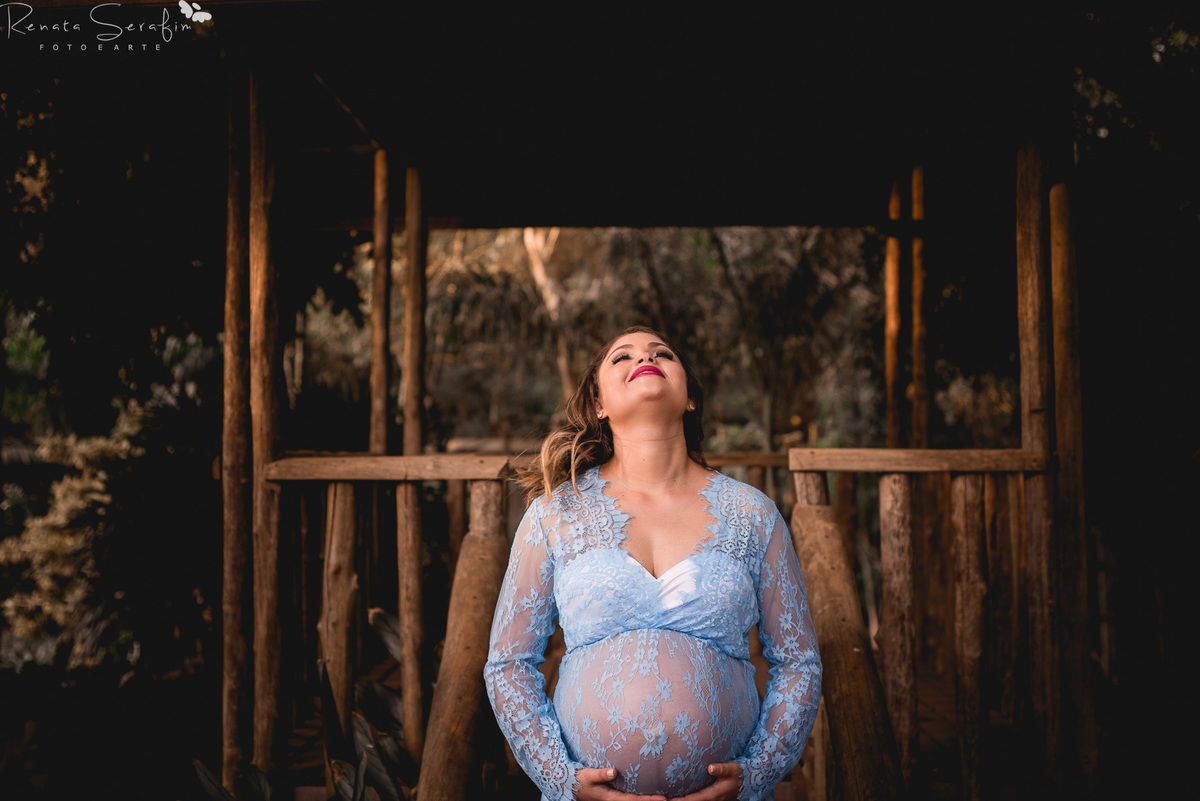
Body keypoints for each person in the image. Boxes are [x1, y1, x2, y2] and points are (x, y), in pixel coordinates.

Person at [484, 326, 822, 801]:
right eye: (621, 356)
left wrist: (757, 774)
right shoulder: (554, 513)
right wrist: (560, 779)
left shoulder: (752, 513)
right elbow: (508, 663)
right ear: (598, 404)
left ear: (689, 399)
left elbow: (799, 662)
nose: (645, 357)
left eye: (663, 353)